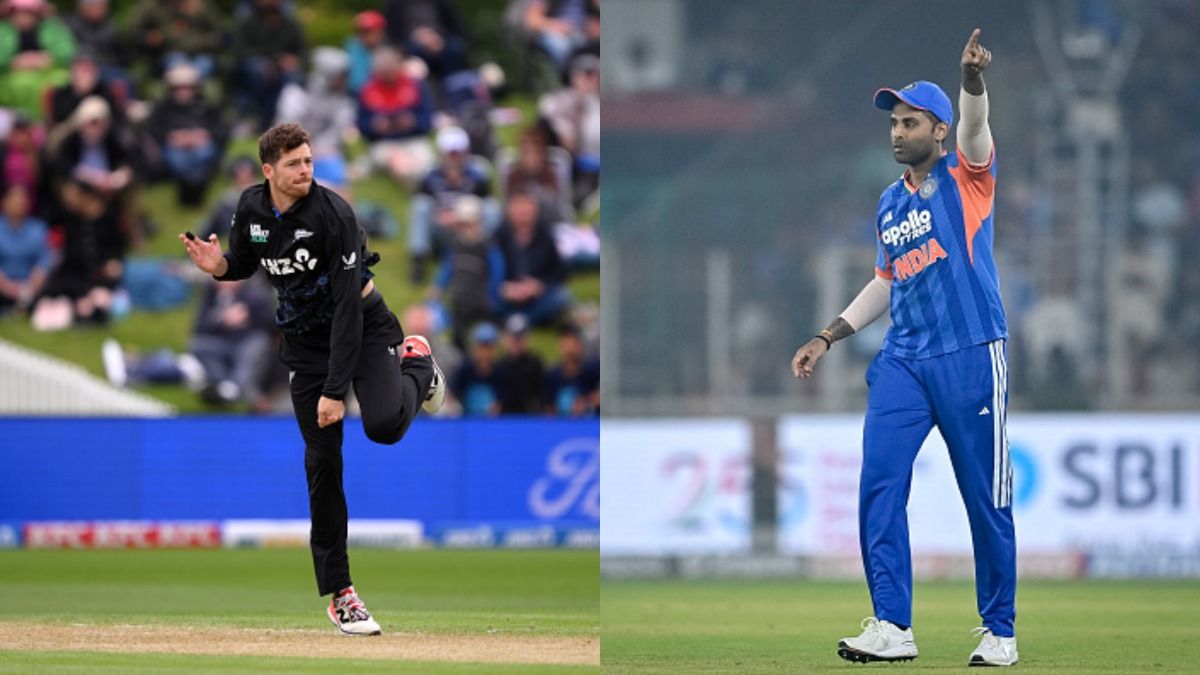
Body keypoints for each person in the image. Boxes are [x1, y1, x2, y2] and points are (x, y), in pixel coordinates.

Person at [790, 30, 1017, 667]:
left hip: (971, 352)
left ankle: (999, 630)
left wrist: (971, 81)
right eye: (893, 122)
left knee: (985, 499)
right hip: (903, 362)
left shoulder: (969, 176)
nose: (897, 132)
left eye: (910, 122)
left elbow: (977, 123)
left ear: (938, 131)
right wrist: (828, 334)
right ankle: (893, 624)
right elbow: (887, 281)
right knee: (879, 486)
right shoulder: (890, 203)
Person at [178, 123, 447, 636]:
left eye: (308, 161)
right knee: (322, 464)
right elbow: (249, 260)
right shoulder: (252, 208)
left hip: (363, 328)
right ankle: (341, 594)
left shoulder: (336, 215)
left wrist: (333, 390)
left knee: (385, 426)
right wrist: (221, 266)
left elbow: (347, 308)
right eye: (294, 163)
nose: (305, 170)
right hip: (303, 343)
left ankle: (417, 364)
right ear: (268, 171)